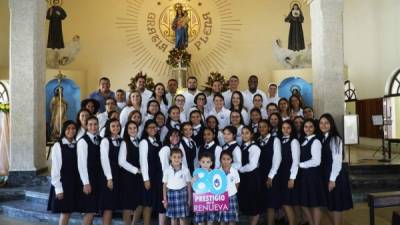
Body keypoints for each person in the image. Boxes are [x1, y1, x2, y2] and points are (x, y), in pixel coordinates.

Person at [319, 114, 353, 225]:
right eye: (321, 123)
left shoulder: (335, 138)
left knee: (337, 206)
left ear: (331, 124)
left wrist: (332, 179)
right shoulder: (324, 138)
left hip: (335, 175)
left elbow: (337, 161)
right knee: (333, 205)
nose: (323, 125)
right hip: (328, 174)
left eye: (326, 123)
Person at [48, 120, 79, 225]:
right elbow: (55, 169)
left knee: (69, 211)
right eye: (68, 128)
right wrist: (58, 188)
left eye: (73, 128)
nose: (71, 131)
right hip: (63, 183)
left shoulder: (76, 144)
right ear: (64, 130)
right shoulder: (58, 145)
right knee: (65, 212)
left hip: (73, 182)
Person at [298, 119, 326, 225]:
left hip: (313, 175)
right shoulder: (304, 140)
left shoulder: (316, 141)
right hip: (305, 176)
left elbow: (316, 161)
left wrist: (300, 165)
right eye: (306, 126)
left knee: (315, 203)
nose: (308, 129)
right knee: (305, 203)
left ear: (315, 128)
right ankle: (311, 222)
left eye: (311, 127)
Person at [139, 120, 165, 225]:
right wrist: (146, 179)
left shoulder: (159, 142)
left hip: (157, 176)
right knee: (147, 203)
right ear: (146, 129)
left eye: (155, 127)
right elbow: (143, 161)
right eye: (150, 127)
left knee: (153, 202)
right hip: (148, 176)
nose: (153, 129)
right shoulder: (144, 142)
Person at [77, 116, 102, 225]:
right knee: (90, 211)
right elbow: (82, 164)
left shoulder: (100, 139)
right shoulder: (83, 141)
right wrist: (86, 183)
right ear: (86, 126)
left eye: (95, 124)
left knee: (93, 209)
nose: (93, 127)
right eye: (90, 124)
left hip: (97, 178)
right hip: (88, 179)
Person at [118, 121, 144, 225]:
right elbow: (121, 161)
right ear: (126, 130)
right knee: (128, 205)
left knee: (139, 202)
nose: (133, 130)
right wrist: (136, 170)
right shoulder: (125, 142)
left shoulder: (139, 141)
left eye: (135, 128)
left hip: (138, 177)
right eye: (130, 128)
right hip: (128, 177)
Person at [257, 119, 282, 225]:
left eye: (264, 126)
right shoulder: (257, 140)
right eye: (260, 127)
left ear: (269, 128)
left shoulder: (275, 140)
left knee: (271, 203)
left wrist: (270, 176)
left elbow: (277, 159)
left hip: (271, 174)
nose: (262, 129)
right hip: (260, 174)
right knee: (264, 201)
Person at [99, 119, 122, 225]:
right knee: (108, 207)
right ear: (108, 127)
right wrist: (109, 178)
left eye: (118, 126)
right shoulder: (105, 141)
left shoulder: (120, 140)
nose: (116, 128)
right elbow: (104, 160)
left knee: (112, 206)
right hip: (109, 176)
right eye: (113, 126)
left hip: (118, 175)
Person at [278, 120, 300, 225]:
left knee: (287, 202)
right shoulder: (280, 140)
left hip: (289, 174)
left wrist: (292, 178)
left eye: (288, 128)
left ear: (292, 129)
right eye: (283, 128)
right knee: (285, 202)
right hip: (281, 174)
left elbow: (296, 161)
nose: (285, 130)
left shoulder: (294, 141)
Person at [238, 126, 261, 225]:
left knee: (254, 205)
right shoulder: (242, 146)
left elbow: (252, 165)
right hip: (244, 179)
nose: (244, 135)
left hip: (252, 179)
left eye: (247, 133)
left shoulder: (254, 147)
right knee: (248, 205)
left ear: (251, 135)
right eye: (242, 133)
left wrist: (239, 170)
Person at [162, 148, 192, 225]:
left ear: (182, 158)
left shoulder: (185, 170)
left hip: (182, 195)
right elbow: (164, 186)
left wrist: (189, 199)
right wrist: (165, 200)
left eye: (179, 157)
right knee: (173, 218)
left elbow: (189, 186)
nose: (176, 159)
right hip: (171, 195)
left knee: (182, 218)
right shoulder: (167, 170)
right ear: (170, 158)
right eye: (174, 157)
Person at [193, 152, 217, 225]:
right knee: (200, 221)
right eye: (203, 162)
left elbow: (216, 186)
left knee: (210, 221)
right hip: (200, 199)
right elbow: (193, 185)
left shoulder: (214, 173)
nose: (205, 164)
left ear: (211, 163)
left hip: (211, 199)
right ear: (199, 162)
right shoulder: (197, 173)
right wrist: (194, 179)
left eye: (208, 162)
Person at [218, 150, 240, 225]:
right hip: (221, 197)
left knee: (232, 219)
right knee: (222, 219)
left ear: (231, 160)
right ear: (220, 160)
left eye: (228, 159)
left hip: (232, 197)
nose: (226, 161)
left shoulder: (234, 171)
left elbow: (237, 183)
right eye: (223, 159)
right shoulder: (217, 171)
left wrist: (232, 192)